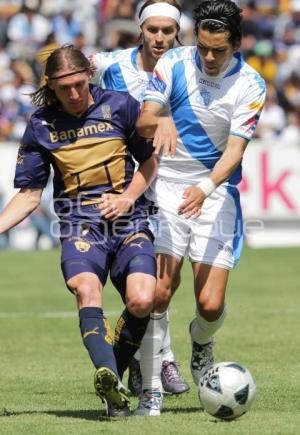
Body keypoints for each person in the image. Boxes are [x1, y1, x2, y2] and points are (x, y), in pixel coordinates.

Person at [0, 45, 158, 418]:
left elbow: (150, 161)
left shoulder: (121, 105)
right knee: (86, 289)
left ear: (89, 74)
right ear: (51, 87)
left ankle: (112, 376)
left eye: (78, 84)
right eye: (63, 88)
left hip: (129, 221)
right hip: (79, 224)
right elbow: (28, 195)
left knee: (141, 300)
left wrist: (126, 198)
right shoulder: (42, 125)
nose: (73, 94)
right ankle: (111, 380)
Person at [136, 0, 266, 415]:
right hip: (167, 185)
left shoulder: (250, 84)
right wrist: (161, 120)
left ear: (236, 44)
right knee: (159, 290)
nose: (209, 58)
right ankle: (152, 386)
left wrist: (207, 187)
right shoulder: (173, 62)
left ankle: (202, 341)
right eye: (203, 48)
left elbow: (234, 151)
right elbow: (143, 120)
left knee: (209, 305)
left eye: (219, 51)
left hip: (214, 190)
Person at [91, 0, 190, 397]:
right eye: (153, 30)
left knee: (165, 285)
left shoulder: (189, 64)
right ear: (141, 29)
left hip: (171, 182)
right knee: (145, 283)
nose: (160, 38)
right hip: (123, 186)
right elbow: (62, 65)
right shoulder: (111, 64)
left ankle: (139, 352)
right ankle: (161, 359)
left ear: (177, 32)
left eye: (168, 31)